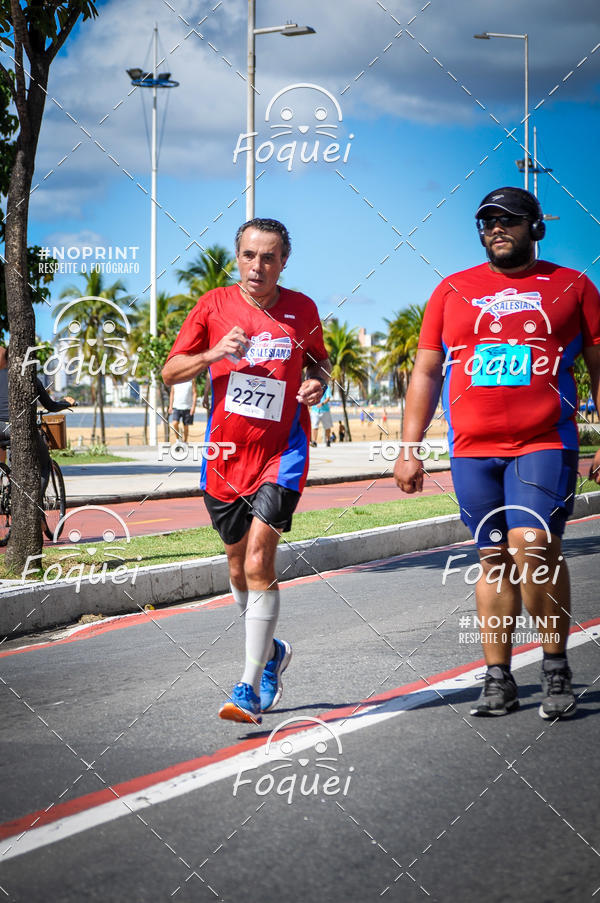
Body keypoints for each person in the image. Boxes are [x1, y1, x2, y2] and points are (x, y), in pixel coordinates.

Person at [393, 186, 600, 720]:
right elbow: (427, 372)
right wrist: (409, 448)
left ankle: (555, 668)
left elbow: (599, 367)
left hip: (544, 441)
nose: (496, 228)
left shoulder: (573, 287)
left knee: (533, 546)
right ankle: (499, 677)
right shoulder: (451, 291)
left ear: (537, 227)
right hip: (471, 450)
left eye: (509, 219)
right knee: (492, 558)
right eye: (487, 221)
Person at [162, 218, 331, 724]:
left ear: (284, 261)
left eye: (270, 257)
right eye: (250, 256)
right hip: (226, 459)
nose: (258, 266)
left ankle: (249, 685)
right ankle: (274, 652)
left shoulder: (302, 310)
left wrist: (317, 384)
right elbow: (171, 370)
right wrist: (214, 352)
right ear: (238, 258)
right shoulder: (214, 305)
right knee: (236, 566)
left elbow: (321, 365)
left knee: (258, 561)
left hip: (283, 452)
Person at [0, 345, 74, 488]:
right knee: (45, 465)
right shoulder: (29, 377)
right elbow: (51, 406)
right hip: (15, 428)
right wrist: (66, 403)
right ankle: (34, 506)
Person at [168, 378, 197, 444]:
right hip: (176, 406)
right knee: (174, 423)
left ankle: (185, 441)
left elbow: (194, 393)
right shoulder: (175, 379)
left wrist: (193, 406)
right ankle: (177, 439)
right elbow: (172, 393)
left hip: (188, 407)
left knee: (186, 426)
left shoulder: (191, 380)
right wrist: (170, 406)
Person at [310, 383, 333, 447]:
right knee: (314, 426)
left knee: (327, 427)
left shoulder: (326, 387)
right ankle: (314, 441)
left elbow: (328, 398)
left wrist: (322, 404)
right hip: (315, 410)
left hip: (325, 410)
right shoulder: (313, 387)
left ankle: (328, 440)